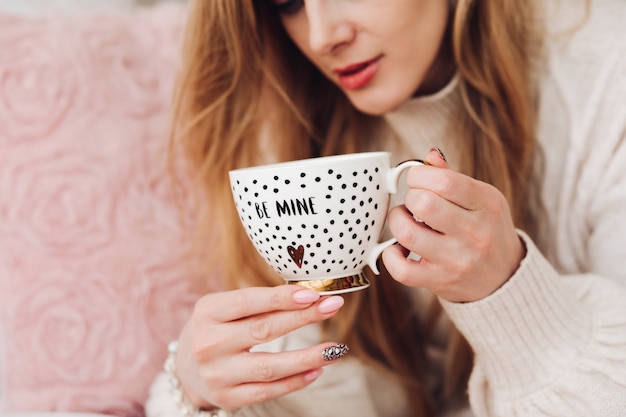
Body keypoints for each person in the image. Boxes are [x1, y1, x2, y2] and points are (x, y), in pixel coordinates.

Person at [145, 0, 626, 416]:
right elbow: (354, 381)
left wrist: (506, 294)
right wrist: (200, 391)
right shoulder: (292, 116)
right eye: (287, 2)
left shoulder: (607, 77)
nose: (322, 36)